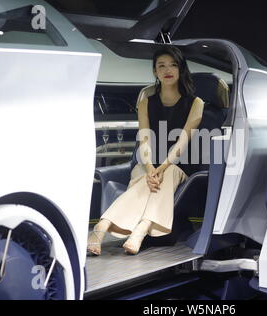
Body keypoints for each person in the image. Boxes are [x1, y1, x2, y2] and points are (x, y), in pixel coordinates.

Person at [87, 46, 204, 255]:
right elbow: (145, 140)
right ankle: (123, 228)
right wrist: (150, 167)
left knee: (167, 173)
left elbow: (182, 142)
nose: (167, 70)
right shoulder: (146, 102)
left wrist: (162, 167)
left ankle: (123, 227)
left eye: (173, 65)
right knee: (143, 176)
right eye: (161, 66)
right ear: (155, 71)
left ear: (181, 69)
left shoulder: (196, 103)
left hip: (179, 164)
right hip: (147, 162)